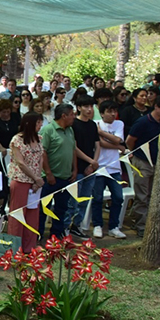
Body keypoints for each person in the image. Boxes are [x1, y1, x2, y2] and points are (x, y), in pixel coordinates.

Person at [126, 96, 160, 238]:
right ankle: (141, 225)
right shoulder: (143, 122)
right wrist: (135, 154)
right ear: (156, 107)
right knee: (142, 195)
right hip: (142, 161)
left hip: (157, 162)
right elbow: (130, 140)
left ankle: (147, 222)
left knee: (151, 194)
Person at [38, 104, 77, 240]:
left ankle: (56, 235)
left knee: (61, 208)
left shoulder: (70, 130)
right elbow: (42, 152)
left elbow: (73, 150)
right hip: (49, 178)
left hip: (66, 177)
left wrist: (75, 169)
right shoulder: (48, 130)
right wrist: (48, 173)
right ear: (63, 116)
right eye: (72, 114)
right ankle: (38, 234)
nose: (74, 117)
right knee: (43, 208)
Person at [7, 113, 45, 252]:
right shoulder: (17, 140)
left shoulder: (39, 138)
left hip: (35, 182)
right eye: (38, 123)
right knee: (18, 216)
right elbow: (21, 163)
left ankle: (29, 247)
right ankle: (15, 249)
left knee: (32, 215)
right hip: (20, 180)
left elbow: (40, 158)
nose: (40, 125)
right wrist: (35, 177)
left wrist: (37, 179)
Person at [92, 101, 127, 239]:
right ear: (102, 113)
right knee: (98, 198)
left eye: (114, 111)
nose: (113, 114)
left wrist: (101, 133)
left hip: (114, 167)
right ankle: (97, 225)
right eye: (109, 111)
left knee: (118, 197)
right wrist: (118, 146)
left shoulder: (119, 124)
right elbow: (100, 143)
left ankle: (114, 226)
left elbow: (118, 139)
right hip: (99, 167)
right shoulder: (95, 123)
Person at [67, 96, 101, 238]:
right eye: (86, 107)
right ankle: (66, 227)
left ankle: (76, 225)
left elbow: (97, 145)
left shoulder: (92, 125)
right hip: (78, 168)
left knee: (85, 200)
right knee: (73, 201)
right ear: (79, 108)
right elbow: (74, 147)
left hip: (91, 168)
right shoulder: (73, 124)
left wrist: (94, 163)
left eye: (91, 107)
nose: (89, 110)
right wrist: (90, 161)